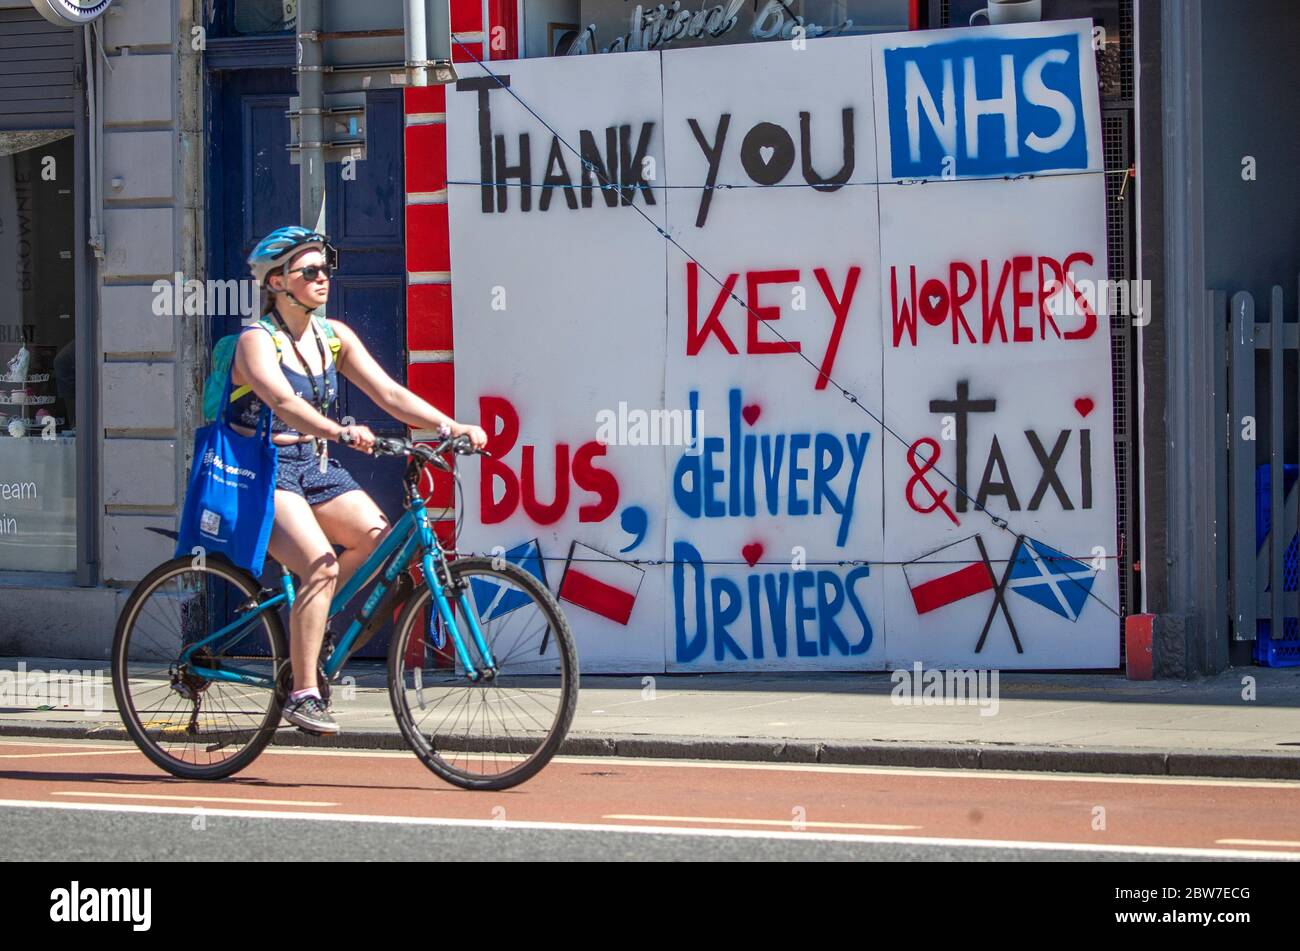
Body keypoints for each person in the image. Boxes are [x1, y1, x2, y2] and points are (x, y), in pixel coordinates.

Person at [229, 226, 487, 735]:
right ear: (278, 282)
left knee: (377, 539)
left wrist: (449, 426)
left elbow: (389, 394)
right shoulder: (255, 342)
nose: (322, 277)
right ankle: (302, 694)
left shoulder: (333, 336)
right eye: (309, 271)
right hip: (264, 469)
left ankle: (314, 620)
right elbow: (284, 403)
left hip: (316, 465)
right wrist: (339, 430)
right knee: (320, 565)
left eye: (326, 268)